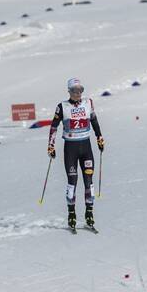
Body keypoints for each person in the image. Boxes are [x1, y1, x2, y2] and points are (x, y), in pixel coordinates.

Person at [47, 77, 105, 230]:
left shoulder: (88, 103)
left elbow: (94, 120)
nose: (78, 94)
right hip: (71, 149)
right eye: (74, 91)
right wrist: (51, 146)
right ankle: (71, 214)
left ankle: (89, 214)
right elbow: (53, 127)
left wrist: (99, 137)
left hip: (86, 147)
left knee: (88, 181)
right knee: (72, 182)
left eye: (80, 90)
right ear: (69, 91)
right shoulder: (62, 107)